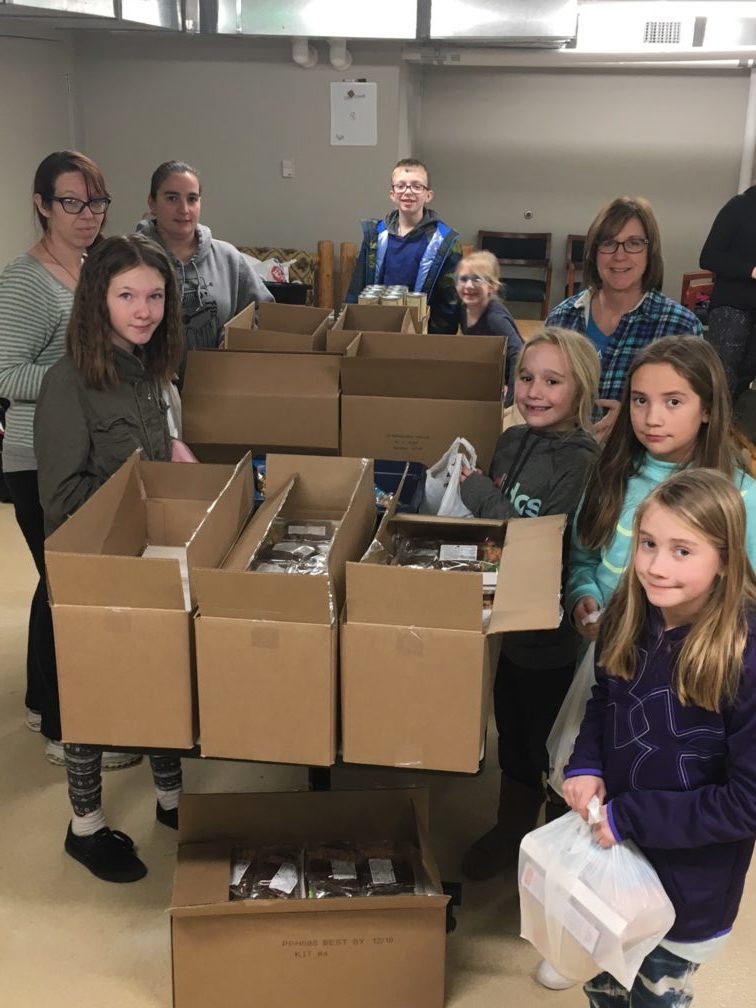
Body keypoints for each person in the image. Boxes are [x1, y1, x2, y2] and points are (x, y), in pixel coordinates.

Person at [563, 468, 756, 1007]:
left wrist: (631, 817)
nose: (654, 565)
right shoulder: (630, 612)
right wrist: (585, 765)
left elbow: (746, 805)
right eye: (648, 543)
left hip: (689, 890)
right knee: (605, 985)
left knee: (653, 994)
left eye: (681, 551)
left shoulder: (745, 657)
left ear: (724, 560)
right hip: (617, 863)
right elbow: (604, 702)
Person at [34, 234, 186, 883]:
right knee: (94, 696)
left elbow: (157, 451)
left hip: (148, 554)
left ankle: (174, 801)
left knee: (160, 675)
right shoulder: (69, 380)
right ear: (98, 297)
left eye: (154, 296)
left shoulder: (150, 368)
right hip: (94, 565)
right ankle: (85, 827)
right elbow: (63, 498)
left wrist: (175, 459)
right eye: (127, 295)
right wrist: (140, 493)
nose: (143, 309)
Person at [0, 151, 138, 769]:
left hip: (87, 454)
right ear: (41, 205)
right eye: (71, 202)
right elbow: (6, 372)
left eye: (97, 202)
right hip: (38, 458)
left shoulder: (89, 267)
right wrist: (80, 377)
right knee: (67, 590)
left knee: (55, 584)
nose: (88, 215)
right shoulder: (24, 280)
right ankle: (64, 728)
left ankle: (38, 697)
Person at [457, 327, 600, 880]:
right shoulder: (512, 439)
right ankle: (511, 828)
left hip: (552, 627)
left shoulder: (583, 459)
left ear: (579, 389)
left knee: (552, 741)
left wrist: (479, 495)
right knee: (510, 727)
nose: (534, 392)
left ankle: (559, 850)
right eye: (526, 377)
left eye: (552, 381)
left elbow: (542, 534)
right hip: (504, 618)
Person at [567, 335, 756, 645]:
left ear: (707, 408)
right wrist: (583, 595)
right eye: (640, 400)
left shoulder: (743, 497)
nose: (652, 419)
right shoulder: (610, 474)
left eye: (673, 402)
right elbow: (583, 558)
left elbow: (746, 602)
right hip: (605, 658)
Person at [547, 196, 702, 442]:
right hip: (564, 459)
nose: (619, 255)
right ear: (594, 252)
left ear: (650, 251)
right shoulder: (562, 318)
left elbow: (693, 414)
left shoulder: (679, 327)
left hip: (636, 464)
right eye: (608, 243)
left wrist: (631, 422)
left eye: (633, 243)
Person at [135, 159, 273, 381]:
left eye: (192, 199)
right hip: (146, 391)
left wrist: (238, 339)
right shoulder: (128, 258)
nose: (184, 209)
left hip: (219, 389)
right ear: (152, 203)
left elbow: (265, 312)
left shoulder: (229, 258)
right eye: (172, 198)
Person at [345, 157, 463, 335]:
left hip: (423, 335)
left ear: (428, 195)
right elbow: (357, 288)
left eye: (417, 186)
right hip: (376, 331)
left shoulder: (445, 242)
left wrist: (435, 340)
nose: (408, 192)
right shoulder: (375, 236)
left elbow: (449, 305)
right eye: (401, 186)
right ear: (392, 194)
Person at [699, 185, 756, 400]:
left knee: (746, 376)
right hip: (732, 306)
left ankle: (727, 425)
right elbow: (709, 257)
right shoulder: (739, 206)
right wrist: (751, 270)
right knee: (722, 374)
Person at [454, 249, 524, 405]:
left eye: (477, 280)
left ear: (492, 286)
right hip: (489, 373)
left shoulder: (495, 319)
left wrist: (511, 396)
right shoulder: (462, 309)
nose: (469, 285)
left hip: (505, 379)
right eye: (463, 279)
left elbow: (519, 352)